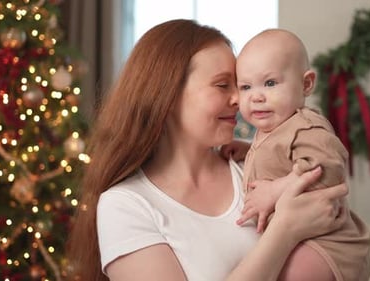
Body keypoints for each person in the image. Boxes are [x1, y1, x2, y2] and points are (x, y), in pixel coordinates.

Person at [66, 19, 349, 281]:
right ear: (167, 95)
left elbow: (337, 241)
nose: (240, 98)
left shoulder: (253, 168)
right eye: (224, 85)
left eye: (239, 85)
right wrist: (284, 231)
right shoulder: (125, 206)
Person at [231, 28, 370, 281]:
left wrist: (276, 190)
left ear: (306, 84)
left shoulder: (307, 126)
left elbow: (328, 169)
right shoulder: (272, 129)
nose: (256, 96)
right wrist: (247, 151)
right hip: (303, 238)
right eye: (245, 87)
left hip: (324, 244)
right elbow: (279, 156)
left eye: (270, 83)